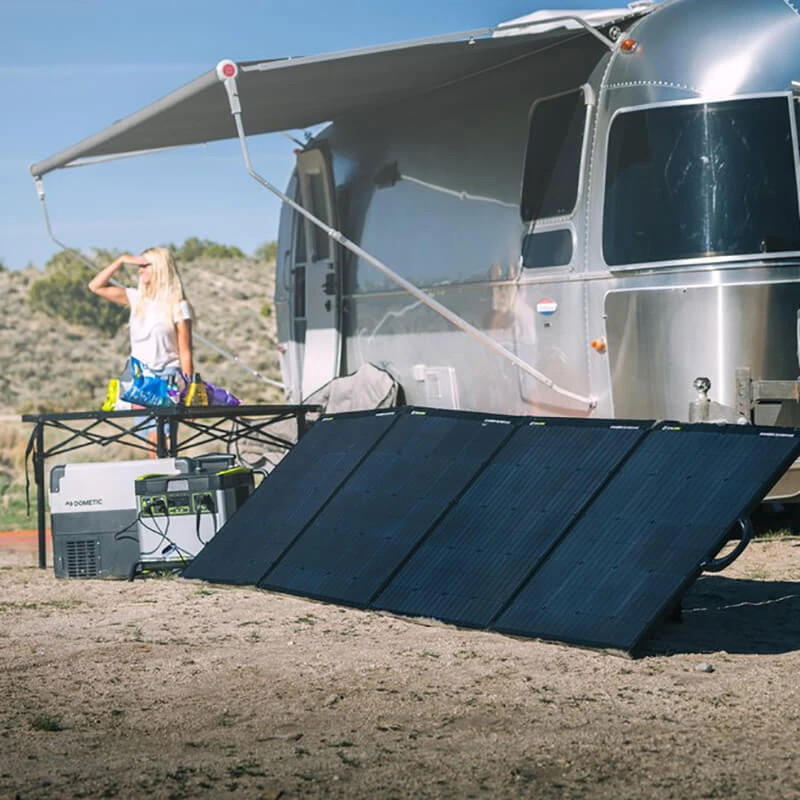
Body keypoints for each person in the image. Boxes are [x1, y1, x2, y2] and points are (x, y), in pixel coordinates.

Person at [89, 247, 194, 388]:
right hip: (137, 375)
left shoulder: (178, 306)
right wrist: (121, 260)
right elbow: (95, 286)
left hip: (166, 376)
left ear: (159, 268)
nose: (140, 271)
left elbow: (185, 352)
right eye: (139, 266)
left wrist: (188, 387)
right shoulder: (136, 298)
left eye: (145, 266)